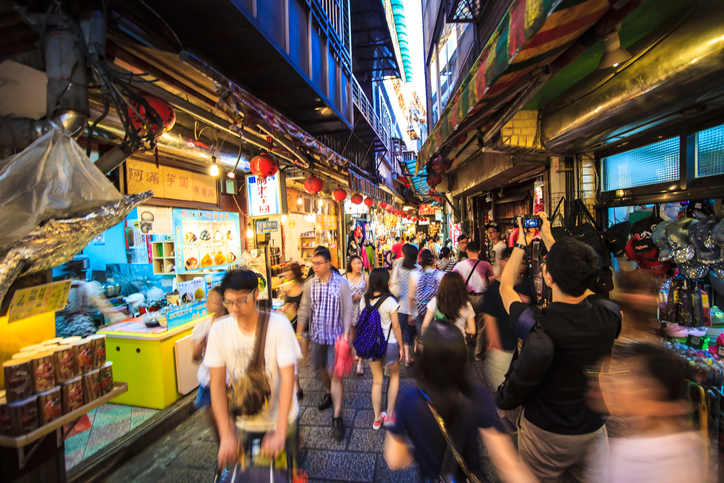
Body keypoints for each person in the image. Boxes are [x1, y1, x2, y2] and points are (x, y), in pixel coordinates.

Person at [499, 213, 622, 482]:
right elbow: (580, 280)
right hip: (592, 428)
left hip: (543, 431)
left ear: (549, 278)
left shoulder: (535, 322)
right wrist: (549, 238)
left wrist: (521, 243)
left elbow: (505, 286)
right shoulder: (610, 316)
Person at [384, 320, 535, 483]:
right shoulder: (476, 396)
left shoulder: (410, 400)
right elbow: (507, 463)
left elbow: (394, 460)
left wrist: (418, 451)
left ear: (425, 359)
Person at [205, 270, 300, 472]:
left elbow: (288, 378)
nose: (234, 308)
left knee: (285, 473)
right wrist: (226, 434)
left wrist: (280, 432)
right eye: (228, 302)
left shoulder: (279, 325)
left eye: (241, 300)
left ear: (256, 294)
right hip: (244, 419)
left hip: (282, 417)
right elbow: (216, 384)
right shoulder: (219, 330)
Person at [590, 342, 704, 483]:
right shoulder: (682, 443)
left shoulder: (645, 455)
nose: (620, 384)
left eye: (634, 379)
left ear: (652, 392)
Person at [297, 248, 354, 441]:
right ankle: (328, 393)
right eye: (313, 263)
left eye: (318, 263)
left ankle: (337, 415)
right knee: (322, 367)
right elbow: (304, 309)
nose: (315, 267)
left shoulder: (341, 283)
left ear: (329, 263)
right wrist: (300, 335)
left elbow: (348, 309)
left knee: (335, 373)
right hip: (317, 336)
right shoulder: (310, 284)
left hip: (336, 338)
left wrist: (347, 333)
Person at [354, 268, 404, 429]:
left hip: (372, 345)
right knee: (394, 377)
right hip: (390, 344)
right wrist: (401, 347)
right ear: (385, 282)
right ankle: (389, 416)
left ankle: (377, 419)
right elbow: (396, 326)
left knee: (377, 381)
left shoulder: (365, 299)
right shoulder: (390, 301)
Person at [481, 247, 532, 393]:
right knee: (503, 391)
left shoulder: (529, 285)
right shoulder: (493, 289)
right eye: (513, 261)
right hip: (504, 351)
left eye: (521, 262)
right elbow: (489, 321)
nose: (519, 266)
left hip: (526, 350)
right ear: (501, 262)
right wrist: (497, 349)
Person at [453, 241, 495, 361]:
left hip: (466, 298)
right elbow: (492, 282)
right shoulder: (486, 265)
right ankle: (478, 354)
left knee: (465, 323)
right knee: (482, 327)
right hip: (482, 298)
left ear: (467, 251)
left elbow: (452, 279)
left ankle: (465, 348)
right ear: (479, 251)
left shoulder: (460, 265)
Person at [192, 287, 228, 416]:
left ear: (223, 304)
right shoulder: (203, 326)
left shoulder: (232, 325)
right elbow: (196, 357)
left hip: (230, 381)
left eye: (212, 300)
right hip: (209, 380)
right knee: (214, 417)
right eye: (207, 299)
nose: (207, 302)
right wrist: (201, 343)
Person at [390, 243, 419, 367]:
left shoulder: (399, 267)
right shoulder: (419, 269)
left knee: (400, 332)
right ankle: (408, 355)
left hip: (401, 305)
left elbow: (393, 284)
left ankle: (400, 356)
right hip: (415, 307)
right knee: (411, 332)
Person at [280, 262, 306, 400]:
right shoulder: (286, 288)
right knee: (293, 356)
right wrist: (286, 308)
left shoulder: (304, 287)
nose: (286, 273)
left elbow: (308, 307)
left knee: (301, 356)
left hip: (303, 325)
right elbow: (284, 304)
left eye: (288, 271)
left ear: (294, 272)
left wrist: (299, 310)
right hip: (289, 323)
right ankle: (296, 385)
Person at [409, 248, 443, 349]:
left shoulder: (414, 274)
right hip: (436, 311)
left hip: (420, 311)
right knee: (436, 339)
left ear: (420, 261)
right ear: (433, 260)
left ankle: (424, 355)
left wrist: (411, 314)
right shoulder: (441, 274)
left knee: (422, 339)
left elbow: (411, 296)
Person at [421, 272, 475, 337]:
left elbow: (424, 326)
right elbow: (472, 331)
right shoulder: (466, 304)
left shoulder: (435, 301)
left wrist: (424, 338)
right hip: (459, 340)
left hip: (440, 340)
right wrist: (463, 328)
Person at [344, 255, 368, 376]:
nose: (358, 266)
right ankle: (351, 354)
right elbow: (340, 294)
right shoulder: (344, 277)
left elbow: (370, 294)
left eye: (360, 263)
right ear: (350, 265)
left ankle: (360, 363)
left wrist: (361, 296)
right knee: (350, 334)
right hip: (348, 309)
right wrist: (350, 297)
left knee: (361, 333)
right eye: (355, 263)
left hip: (361, 308)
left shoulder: (365, 277)